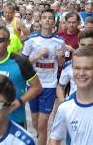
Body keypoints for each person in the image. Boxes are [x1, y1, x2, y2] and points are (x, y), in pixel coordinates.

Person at [0, 24, 42, 128]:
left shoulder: (21, 62)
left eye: (0, 40)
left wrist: (19, 102)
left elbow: (37, 87)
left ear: (8, 42)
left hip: (15, 119)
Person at [22, 9, 65, 145]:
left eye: (50, 18)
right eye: (44, 17)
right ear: (40, 21)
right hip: (34, 85)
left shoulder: (59, 42)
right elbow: (24, 63)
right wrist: (38, 56)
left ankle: (42, 139)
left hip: (49, 86)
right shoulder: (32, 40)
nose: (47, 20)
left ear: (54, 22)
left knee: (42, 123)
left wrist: (60, 57)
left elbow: (62, 63)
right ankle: (42, 137)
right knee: (35, 122)